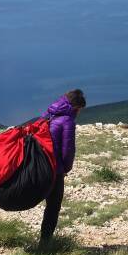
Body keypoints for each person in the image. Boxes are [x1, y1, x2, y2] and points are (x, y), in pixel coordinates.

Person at [40, 89, 86, 244]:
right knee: (53, 206)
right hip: (55, 169)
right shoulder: (68, 121)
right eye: (80, 109)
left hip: (40, 165)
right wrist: (65, 169)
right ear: (76, 107)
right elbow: (68, 151)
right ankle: (45, 243)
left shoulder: (48, 114)